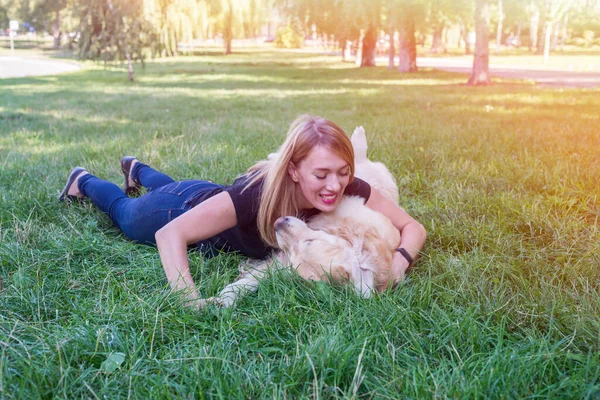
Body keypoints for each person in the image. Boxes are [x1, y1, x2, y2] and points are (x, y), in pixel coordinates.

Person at [59, 115, 427, 307]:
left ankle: (137, 169)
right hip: (176, 210)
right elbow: (169, 235)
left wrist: (400, 260)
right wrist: (189, 300)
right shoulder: (256, 195)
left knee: (173, 187)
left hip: (208, 200)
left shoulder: (346, 187)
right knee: (126, 214)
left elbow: (413, 226)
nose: (335, 185)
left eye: (343, 172)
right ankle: (83, 181)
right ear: (294, 170)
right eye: (321, 174)